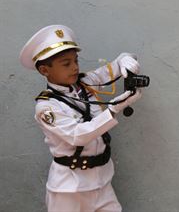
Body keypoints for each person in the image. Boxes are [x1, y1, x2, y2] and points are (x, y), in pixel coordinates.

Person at [19, 25, 144, 212]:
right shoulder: (46, 107)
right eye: (66, 63)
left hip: (101, 183)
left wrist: (126, 60)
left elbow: (114, 67)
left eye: (76, 60)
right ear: (45, 70)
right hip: (68, 189)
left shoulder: (85, 83)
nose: (75, 67)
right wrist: (113, 109)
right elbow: (78, 136)